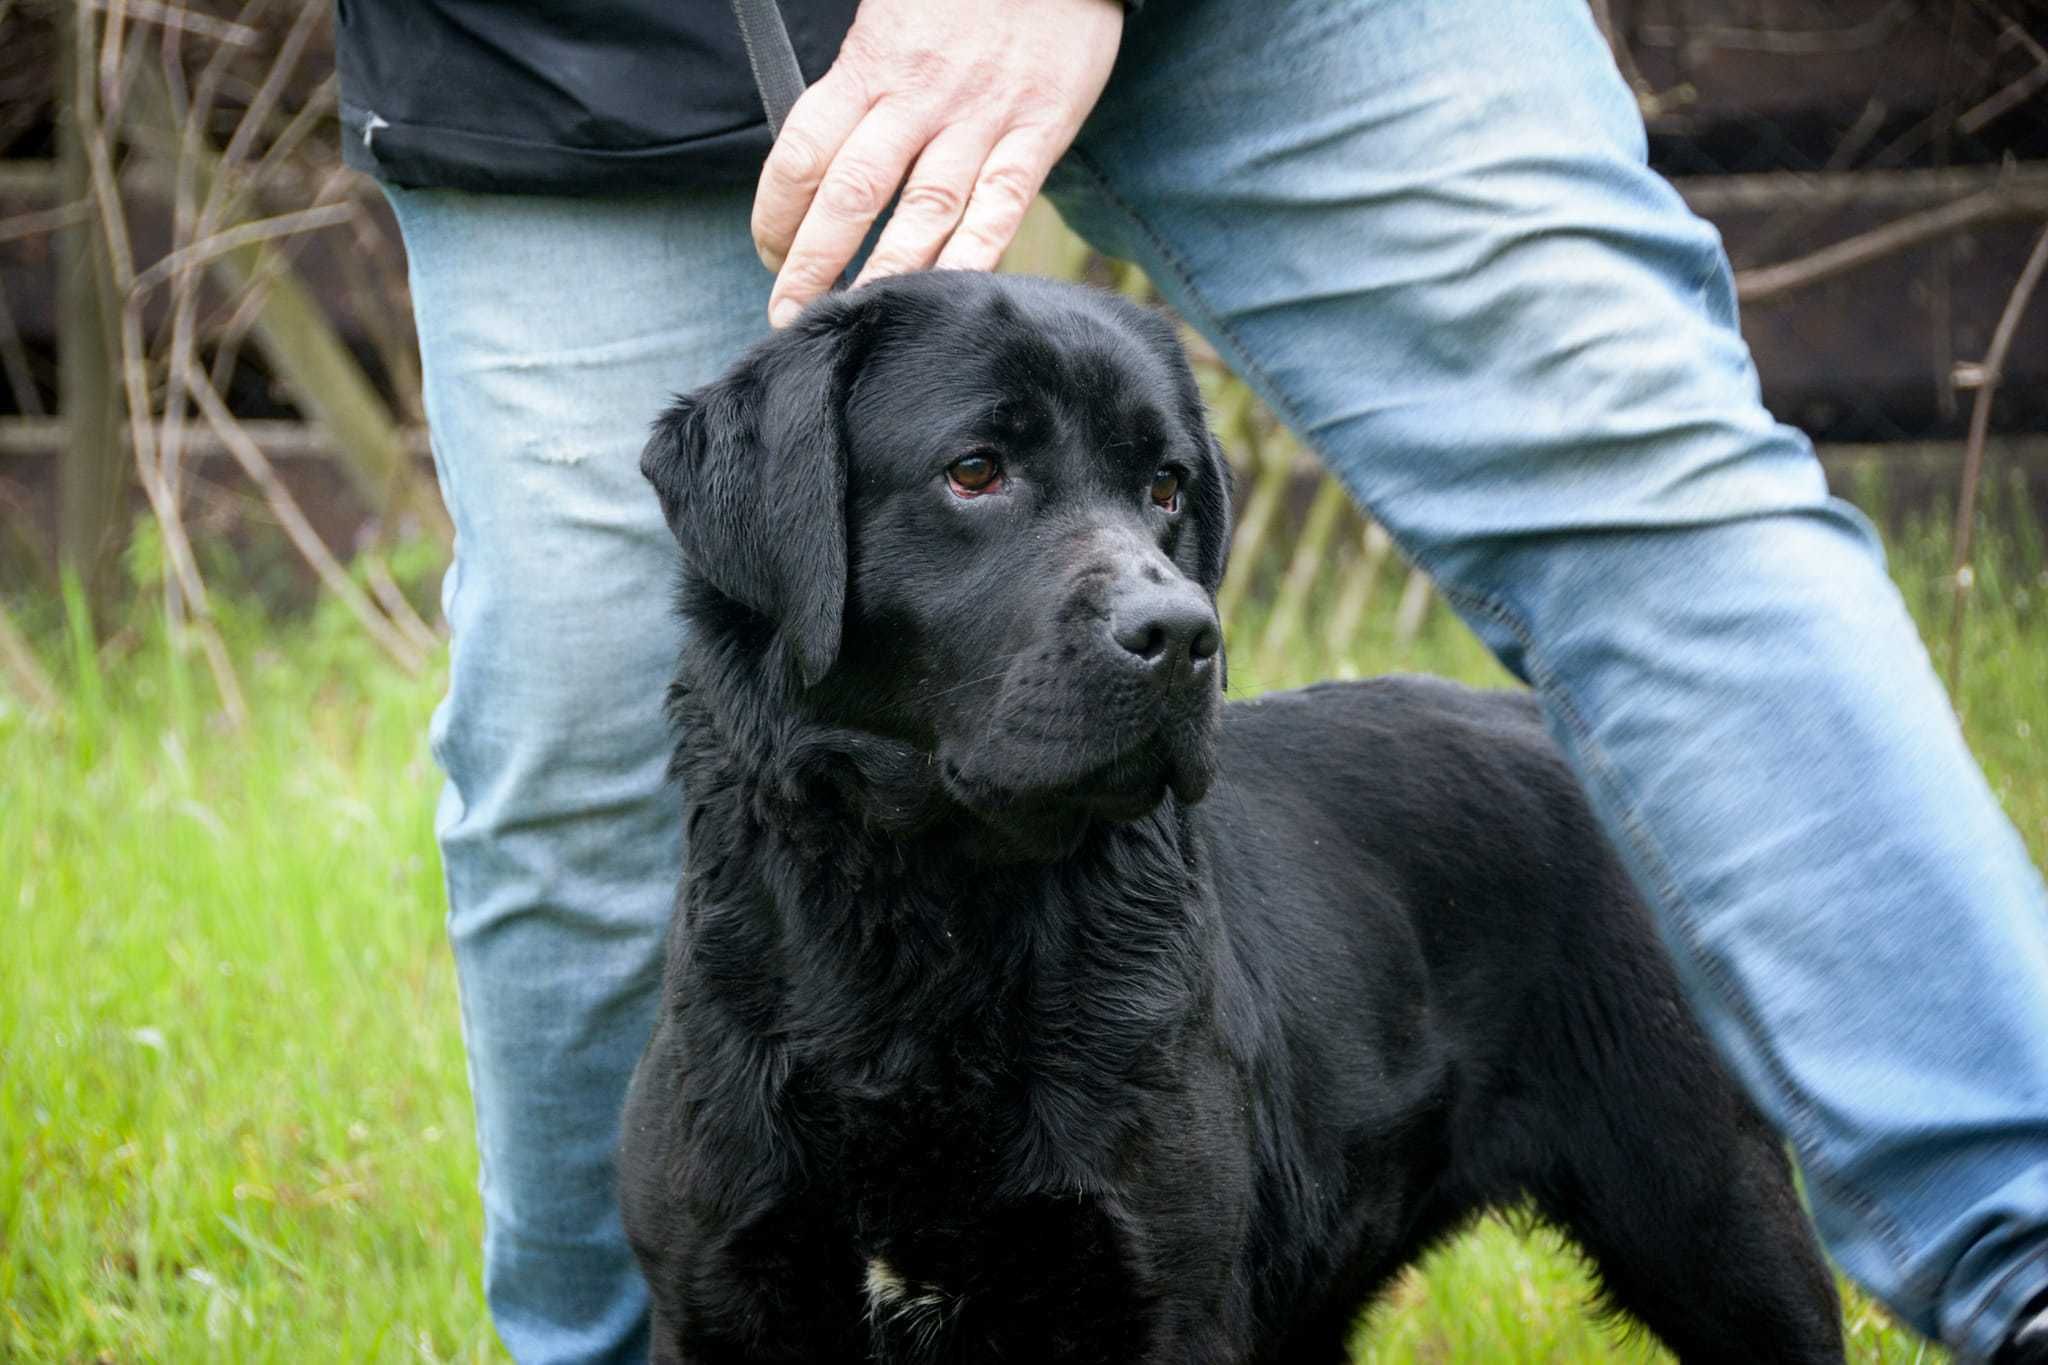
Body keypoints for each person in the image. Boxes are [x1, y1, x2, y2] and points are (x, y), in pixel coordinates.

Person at [333, 1, 2048, 1360]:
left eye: (1164, 506)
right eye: (995, 482)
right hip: (586, 50)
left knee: (1643, 477)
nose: (1155, 593)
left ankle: (2029, 1239)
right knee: (562, 742)